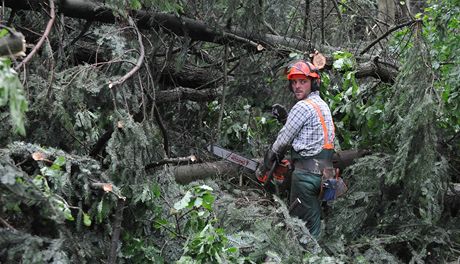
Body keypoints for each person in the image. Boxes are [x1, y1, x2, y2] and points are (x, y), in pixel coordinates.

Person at [263, 59, 335, 239]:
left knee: (302, 229)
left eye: (302, 81)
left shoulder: (302, 106)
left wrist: (270, 157)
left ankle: (313, 257)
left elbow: (284, 139)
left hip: (306, 178)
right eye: (294, 82)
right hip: (326, 174)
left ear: (313, 83)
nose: (297, 86)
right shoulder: (322, 105)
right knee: (314, 221)